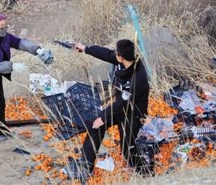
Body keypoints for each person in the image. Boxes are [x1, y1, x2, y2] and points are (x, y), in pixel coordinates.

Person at [64, 39, 151, 180]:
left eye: (116, 52)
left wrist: (103, 117)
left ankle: (146, 172)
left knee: (127, 147)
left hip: (133, 114)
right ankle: (85, 167)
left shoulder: (137, 79)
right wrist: (85, 48)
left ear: (121, 57)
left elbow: (120, 104)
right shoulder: (123, 60)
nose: (114, 53)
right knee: (95, 127)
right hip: (120, 108)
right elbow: (106, 53)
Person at [0, 10, 53, 147]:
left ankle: (0, 131)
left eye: (5, 26)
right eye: (1, 27)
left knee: (0, 102)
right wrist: (12, 66)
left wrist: (37, 50)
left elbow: (19, 42)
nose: (4, 29)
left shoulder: (4, 36)